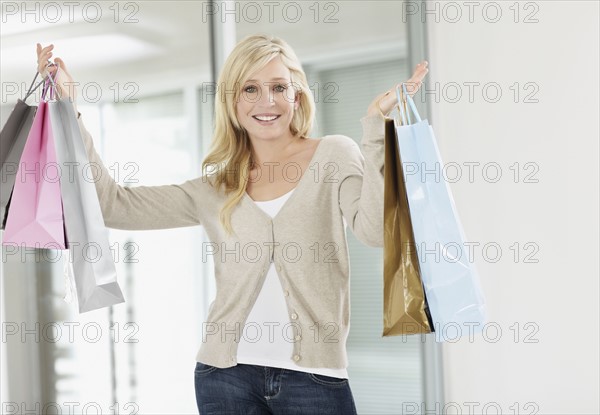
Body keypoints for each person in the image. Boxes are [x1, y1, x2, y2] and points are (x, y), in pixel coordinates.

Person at [36, 34, 428, 414]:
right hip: (224, 378)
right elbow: (114, 205)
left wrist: (378, 127)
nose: (267, 101)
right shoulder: (218, 187)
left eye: (279, 86)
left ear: (297, 94)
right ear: (233, 101)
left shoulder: (335, 155)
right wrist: (71, 112)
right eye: (250, 89)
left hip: (315, 378)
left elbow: (375, 232)